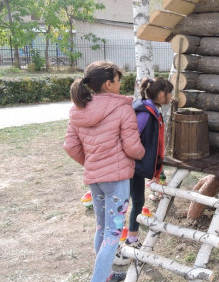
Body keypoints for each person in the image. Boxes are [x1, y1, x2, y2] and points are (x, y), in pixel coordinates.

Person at [63, 60, 145, 282]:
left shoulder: (78, 109)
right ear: (108, 84)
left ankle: (106, 276)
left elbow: (70, 146)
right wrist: (143, 153)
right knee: (113, 232)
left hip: (95, 178)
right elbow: (132, 147)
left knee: (102, 227)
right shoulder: (122, 107)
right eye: (118, 81)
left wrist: (93, 163)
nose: (120, 85)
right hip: (117, 180)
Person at [126, 77, 173, 248]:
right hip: (132, 165)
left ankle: (130, 237)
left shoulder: (151, 111)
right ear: (162, 95)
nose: (171, 97)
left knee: (137, 201)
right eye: (170, 93)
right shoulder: (146, 113)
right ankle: (131, 239)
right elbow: (130, 138)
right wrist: (139, 156)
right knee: (136, 201)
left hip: (136, 164)